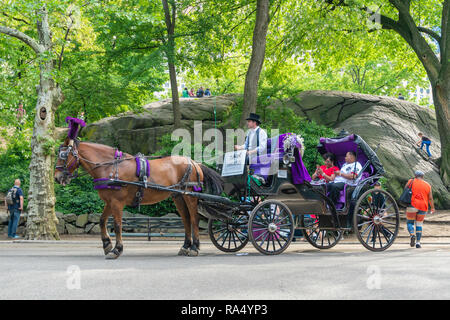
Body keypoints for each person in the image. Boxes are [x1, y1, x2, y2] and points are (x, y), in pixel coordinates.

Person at [234, 113, 268, 183]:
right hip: (249, 154)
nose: (247, 123)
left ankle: (243, 178)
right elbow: (246, 145)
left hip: (258, 155)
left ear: (254, 122)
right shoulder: (250, 132)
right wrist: (239, 147)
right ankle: (237, 178)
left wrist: (250, 152)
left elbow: (262, 147)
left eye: (249, 121)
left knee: (241, 160)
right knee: (234, 158)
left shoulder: (262, 132)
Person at [405, 170, 435, 248]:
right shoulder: (428, 185)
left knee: (410, 222)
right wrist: (432, 208)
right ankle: (418, 242)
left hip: (412, 205)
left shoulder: (411, 181)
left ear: (415, 176)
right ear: (423, 177)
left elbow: (405, 190)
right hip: (423, 207)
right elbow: (430, 198)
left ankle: (412, 235)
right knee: (419, 224)